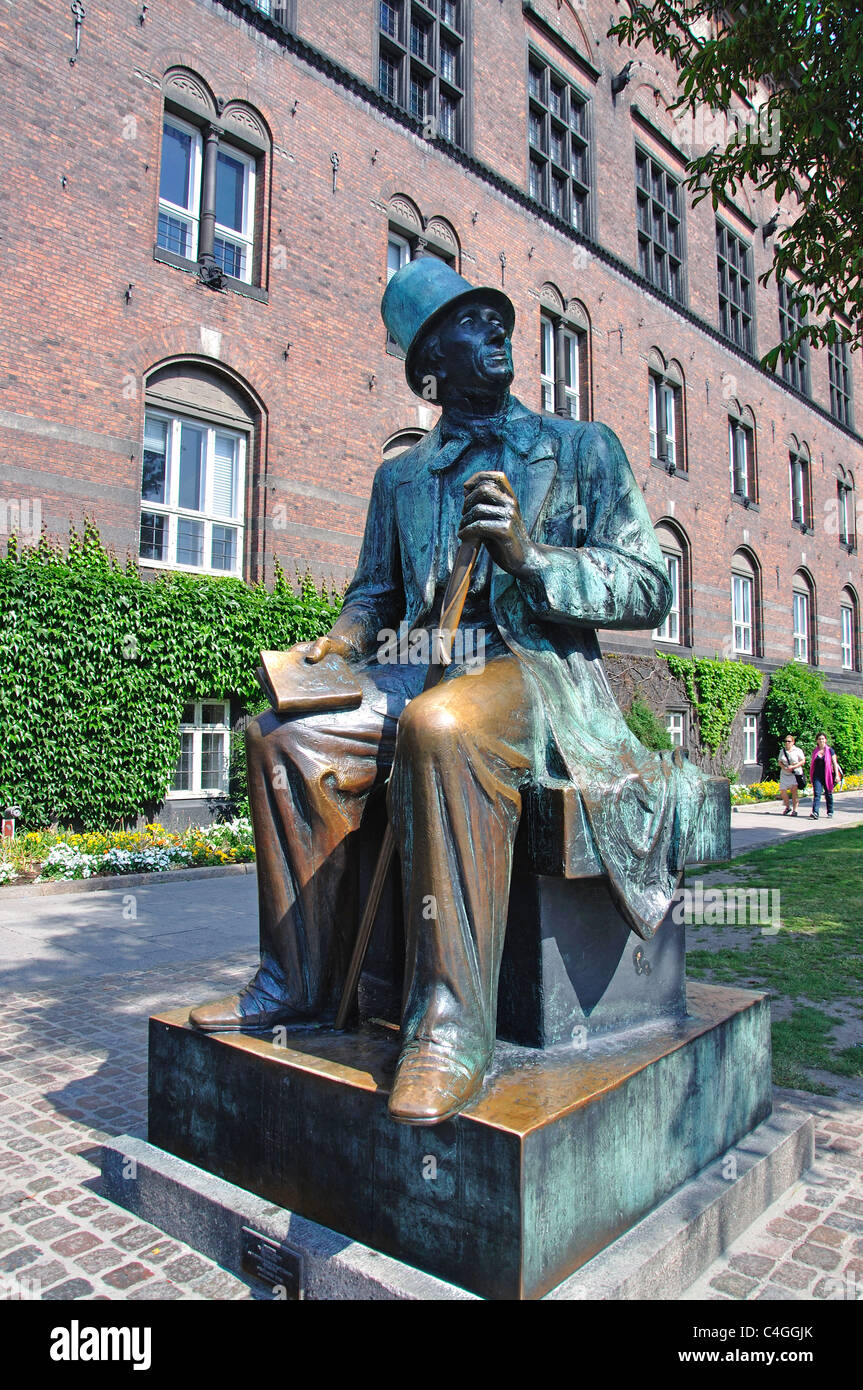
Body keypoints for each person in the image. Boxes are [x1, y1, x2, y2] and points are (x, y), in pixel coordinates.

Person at [189, 258, 711, 1125]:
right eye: (470, 323)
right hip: (419, 658)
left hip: (537, 675)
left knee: (444, 725)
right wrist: (345, 640)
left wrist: (530, 559)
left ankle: (448, 1030)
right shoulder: (401, 477)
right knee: (280, 736)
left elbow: (646, 584)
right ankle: (298, 983)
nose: (497, 330)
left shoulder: (582, 450)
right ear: (430, 366)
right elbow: (375, 593)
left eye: (495, 319)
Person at [809, 732, 840, 819]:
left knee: (828, 794)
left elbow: (834, 763)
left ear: (825, 740)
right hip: (817, 775)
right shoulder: (815, 751)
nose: (821, 740)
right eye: (819, 739)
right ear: (817, 741)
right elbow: (813, 764)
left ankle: (830, 811)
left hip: (827, 775)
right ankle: (815, 812)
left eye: (823, 739)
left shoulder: (830, 750)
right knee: (817, 794)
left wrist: (837, 775)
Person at [778, 734, 805, 816]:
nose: (787, 743)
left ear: (793, 742)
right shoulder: (782, 751)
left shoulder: (797, 750)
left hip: (794, 773)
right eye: (785, 741)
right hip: (784, 773)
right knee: (783, 791)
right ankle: (787, 807)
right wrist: (784, 767)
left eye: (789, 741)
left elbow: (803, 761)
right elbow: (779, 762)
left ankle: (795, 810)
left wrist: (794, 766)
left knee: (794, 791)